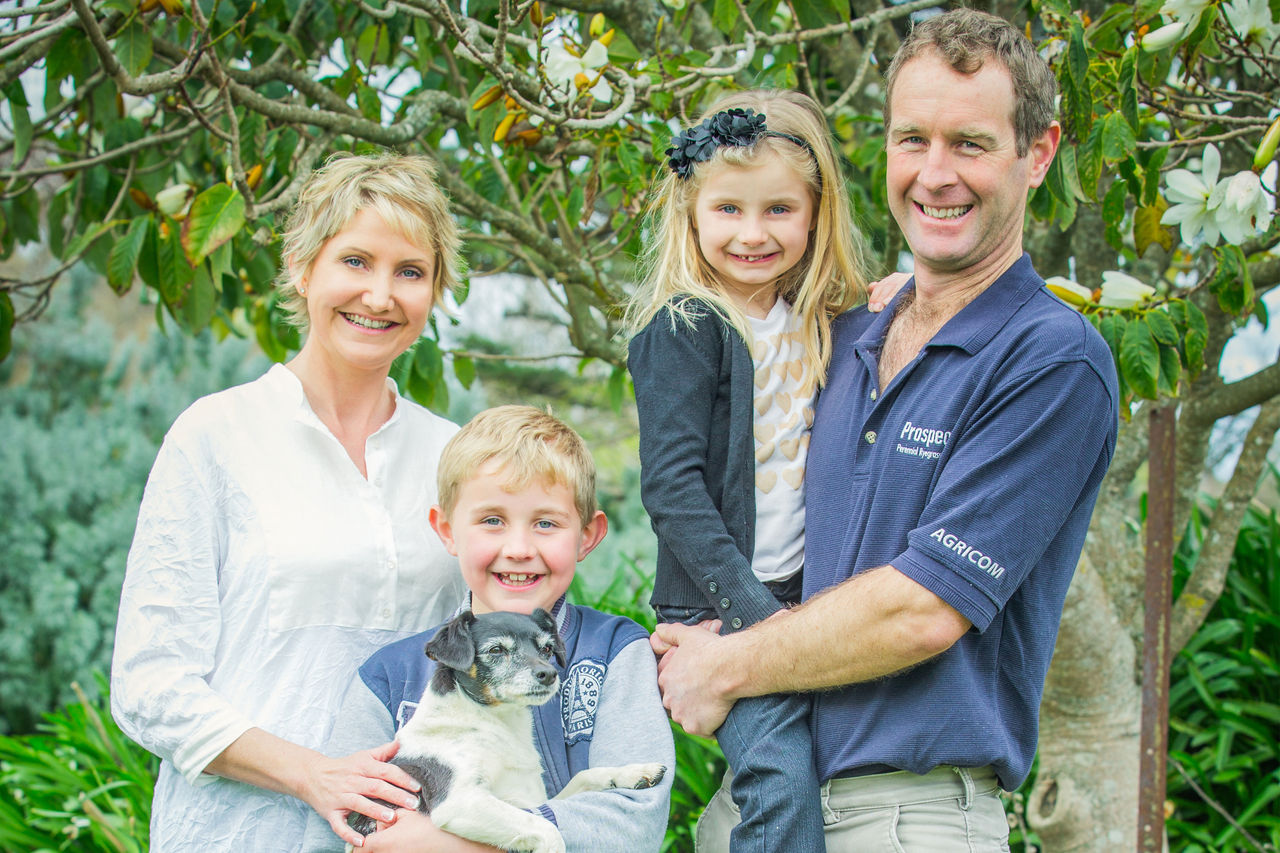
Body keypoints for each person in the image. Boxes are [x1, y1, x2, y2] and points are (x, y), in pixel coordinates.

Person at [650, 9, 1121, 851]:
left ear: (1038, 153)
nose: (935, 175)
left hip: (908, 815)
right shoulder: (838, 333)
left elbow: (921, 609)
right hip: (760, 797)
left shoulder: (1051, 361)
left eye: (970, 145)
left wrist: (720, 662)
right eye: (913, 140)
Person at [110, 152, 470, 851]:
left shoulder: (452, 456)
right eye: (356, 261)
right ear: (304, 267)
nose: (380, 295)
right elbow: (150, 682)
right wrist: (314, 774)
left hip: (409, 839)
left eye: (410, 272)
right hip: (234, 833)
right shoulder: (215, 436)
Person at [626, 89, 874, 852]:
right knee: (778, 778)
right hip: (722, 607)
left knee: (832, 771)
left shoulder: (824, 322)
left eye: (778, 210)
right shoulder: (684, 326)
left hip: (807, 597)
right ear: (692, 214)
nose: (753, 233)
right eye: (729, 209)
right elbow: (673, 488)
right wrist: (758, 618)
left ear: (814, 214)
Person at [302, 405, 674, 852]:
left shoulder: (614, 651)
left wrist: (451, 843)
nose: (518, 548)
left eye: (546, 523)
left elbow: (632, 825)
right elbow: (332, 834)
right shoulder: (390, 676)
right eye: (492, 520)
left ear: (587, 536)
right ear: (447, 530)